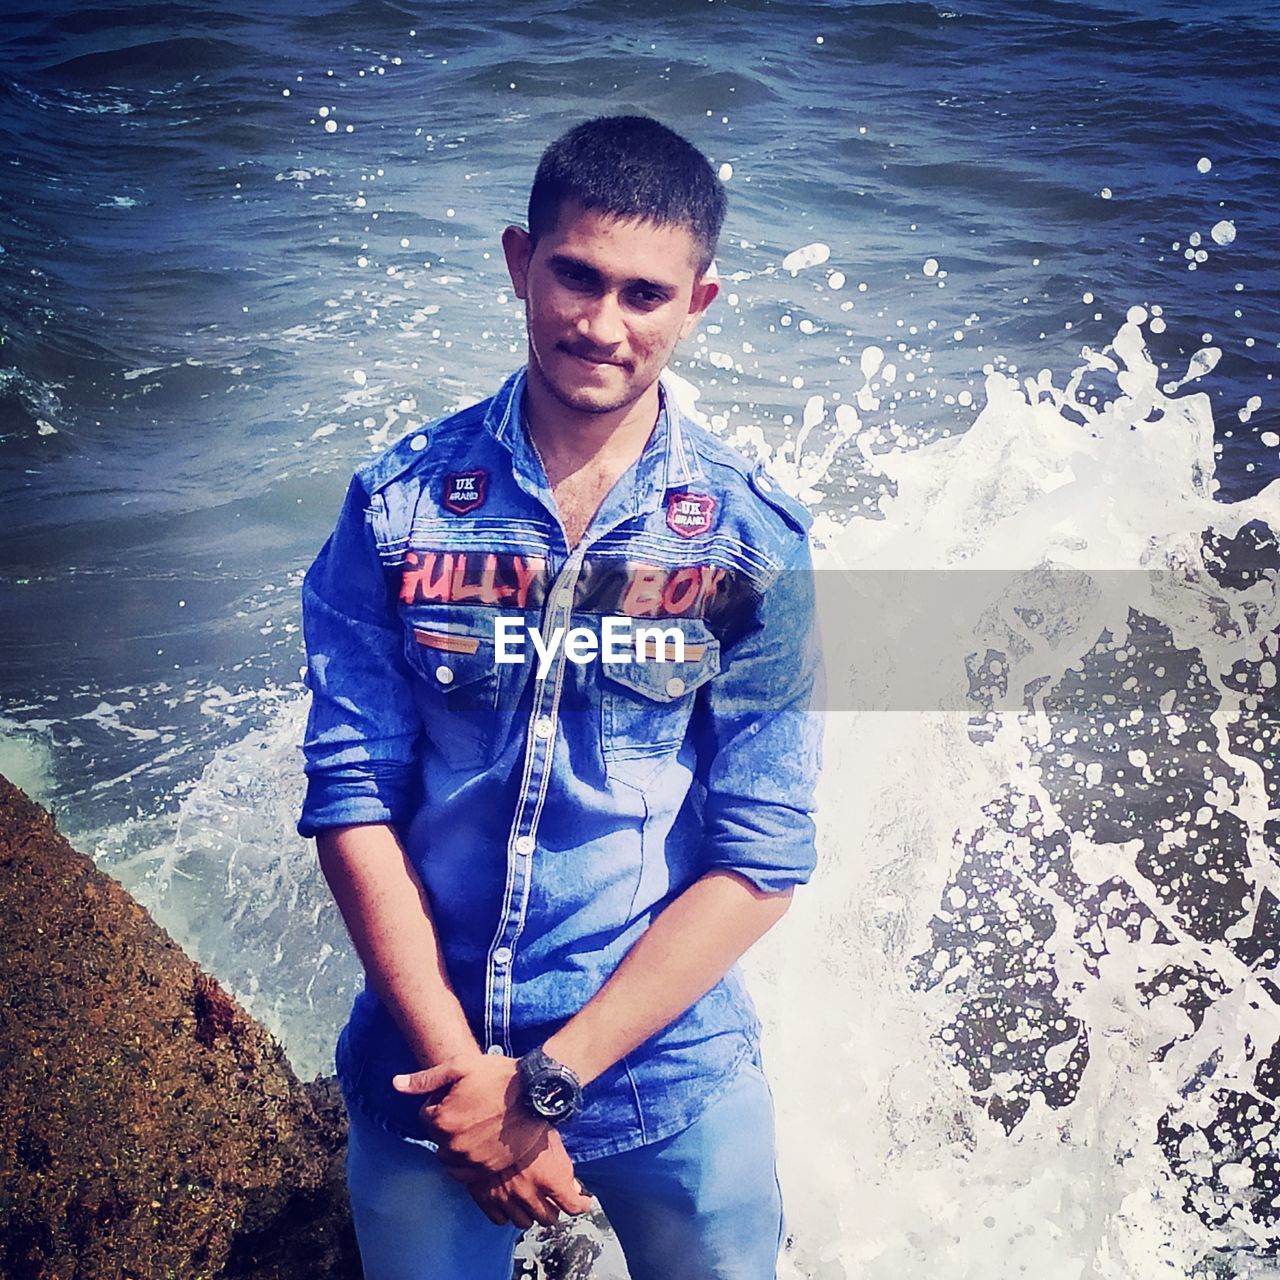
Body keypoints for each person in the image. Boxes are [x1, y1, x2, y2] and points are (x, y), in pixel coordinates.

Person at [297, 114, 823, 1280]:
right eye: (574, 275)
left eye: (645, 293)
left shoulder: (749, 538)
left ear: (698, 304)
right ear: (516, 261)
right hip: (425, 1072)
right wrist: (467, 1089)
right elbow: (349, 800)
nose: (601, 323)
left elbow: (764, 853)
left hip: (669, 1078)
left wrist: (540, 1086)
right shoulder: (396, 506)